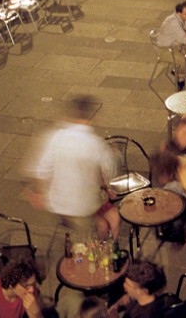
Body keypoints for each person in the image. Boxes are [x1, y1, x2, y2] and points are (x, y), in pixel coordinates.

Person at [24, 95, 118, 236]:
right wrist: (113, 153)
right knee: (106, 224)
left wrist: (39, 193)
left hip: (58, 204)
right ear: (92, 116)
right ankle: (100, 252)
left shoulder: (55, 138)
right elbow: (109, 171)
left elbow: (40, 170)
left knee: (103, 221)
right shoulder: (95, 144)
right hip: (83, 207)